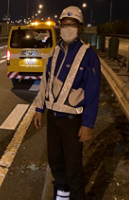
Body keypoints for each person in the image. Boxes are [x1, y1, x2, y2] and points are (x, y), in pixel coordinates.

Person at [34, 6, 101, 200]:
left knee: (73, 168)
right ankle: (62, 196)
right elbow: (44, 84)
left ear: (79, 27)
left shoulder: (88, 55)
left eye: (72, 25)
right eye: (64, 25)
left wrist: (87, 124)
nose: (68, 28)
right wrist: (39, 109)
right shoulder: (54, 54)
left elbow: (93, 92)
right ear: (60, 27)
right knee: (55, 162)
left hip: (73, 121)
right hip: (53, 119)